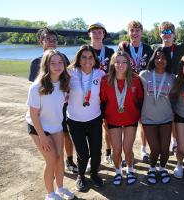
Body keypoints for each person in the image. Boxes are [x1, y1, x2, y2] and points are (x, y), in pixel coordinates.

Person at [28, 27, 78, 174]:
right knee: (47, 141)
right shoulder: (36, 62)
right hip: (44, 110)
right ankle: (51, 165)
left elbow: (67, 79)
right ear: (41, 41)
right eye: (47, 39)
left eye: (54, 40)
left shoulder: (62, 58)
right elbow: (33, 89)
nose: (51, 42)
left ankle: (68, 160)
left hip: (62, 106)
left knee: (66, 134)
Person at [26, 49, 74, 200]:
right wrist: (42, 137)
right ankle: (50, 194)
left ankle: (60, 189)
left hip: (56, 125)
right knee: (51, 159)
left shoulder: (64, 82)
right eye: (53, 63)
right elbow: (33, 114)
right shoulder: (37, 87)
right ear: (46, 65)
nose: (57, 65)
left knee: (60, 157)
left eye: (60, 62)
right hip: (38, 127)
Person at [100, 51, 143, 185]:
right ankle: (118, 171)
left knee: (127, 148)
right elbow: (102, 101)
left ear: (129, 64)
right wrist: (104, 120)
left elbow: (140, 100)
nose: (121, 65)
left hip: (131, 119)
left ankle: (130, 170)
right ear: (113, 64)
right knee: (117, 149)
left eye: (124, 62)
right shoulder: (106, 80)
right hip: (113, 119)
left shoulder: (135, 79)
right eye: (117, 62)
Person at [66, 45, 105, 191]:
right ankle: (81, 176)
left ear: (94, 60)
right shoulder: (70, 73)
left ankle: (94, 174)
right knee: (83, 154)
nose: (87, 60)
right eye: (84, 57)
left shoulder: (100, 74)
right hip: (75, 121)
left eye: (90, 57)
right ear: (78, 59)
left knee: (96, 151)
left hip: (94, 119)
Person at [152, 21, 184, 153]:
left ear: (174, 34)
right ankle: (172, 142)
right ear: (160, 34)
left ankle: (178, 142)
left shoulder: (181, 47)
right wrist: (122, 44)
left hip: (179, 87)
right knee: (167, 115)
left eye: (169, 32)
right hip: (162, 88)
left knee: (178, 115)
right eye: (163, 32)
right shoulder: (156, 49)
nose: (166, 34)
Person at [139, 47, 175, 184]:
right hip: (148, 118)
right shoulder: (144, 74)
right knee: (155, 149)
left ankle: (163, 168)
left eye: (164, 58)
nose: (160, 60)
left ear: (167, 61)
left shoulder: (172, 77)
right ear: (153, 59)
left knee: (165, 150)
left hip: (165, 118)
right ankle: (152, 169)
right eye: (158, 57)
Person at [119, 21, 153, 162]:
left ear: (142, 32)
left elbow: (152, 67)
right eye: (132, 30)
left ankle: (144, 149)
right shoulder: (123, 49)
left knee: (143, 121)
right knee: (127, 122)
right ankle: (127, 151)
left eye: (137, 30)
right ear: (128, 33)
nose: (135, 33)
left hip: (144, 88)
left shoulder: (148, 48)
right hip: (128, 89)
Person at [88, 22, 115, 165]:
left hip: (106, 93)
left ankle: (108, 152)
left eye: (100, 32)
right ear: (89, 34)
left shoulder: (110, 52)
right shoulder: (85, 50)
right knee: (91, 127)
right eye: (94, 32)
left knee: (107, 125)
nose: (97, 35)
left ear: (104, 35)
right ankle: (92, 155)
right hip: (89, 94)